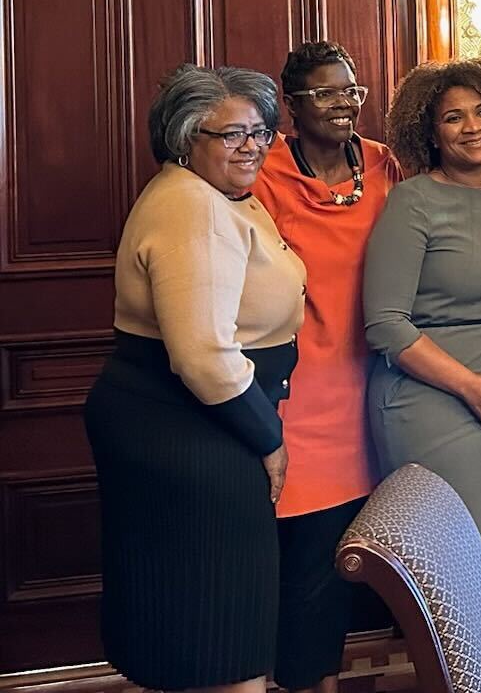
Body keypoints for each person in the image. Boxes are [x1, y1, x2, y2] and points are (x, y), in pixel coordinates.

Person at [85, 65, 304, 693]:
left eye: (261, 132)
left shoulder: (217, 192)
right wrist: (268, 438)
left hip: (193, 424)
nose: (252, 147)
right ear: (186, 137)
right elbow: (204, 357)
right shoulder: (193, 208)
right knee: (218, 630)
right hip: (187, 429)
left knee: (198, 621)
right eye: (232, 134)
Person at [363, 58, 481, 617]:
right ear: (429, 131)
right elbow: (385, 323)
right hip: (435, 398)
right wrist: (471, 387)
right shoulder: (412, 200)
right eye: (453, 117)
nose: (473, 126)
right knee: (460, 567)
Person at [252, 41, 404, 693]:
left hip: (382, 384)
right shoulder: (262, 175)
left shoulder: (384, 164)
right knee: (308, 558)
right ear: (292, 105)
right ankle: (301, 681)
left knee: (363, 552)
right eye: (326, 93)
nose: (344, 104)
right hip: (300, 394)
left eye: (352, 91)